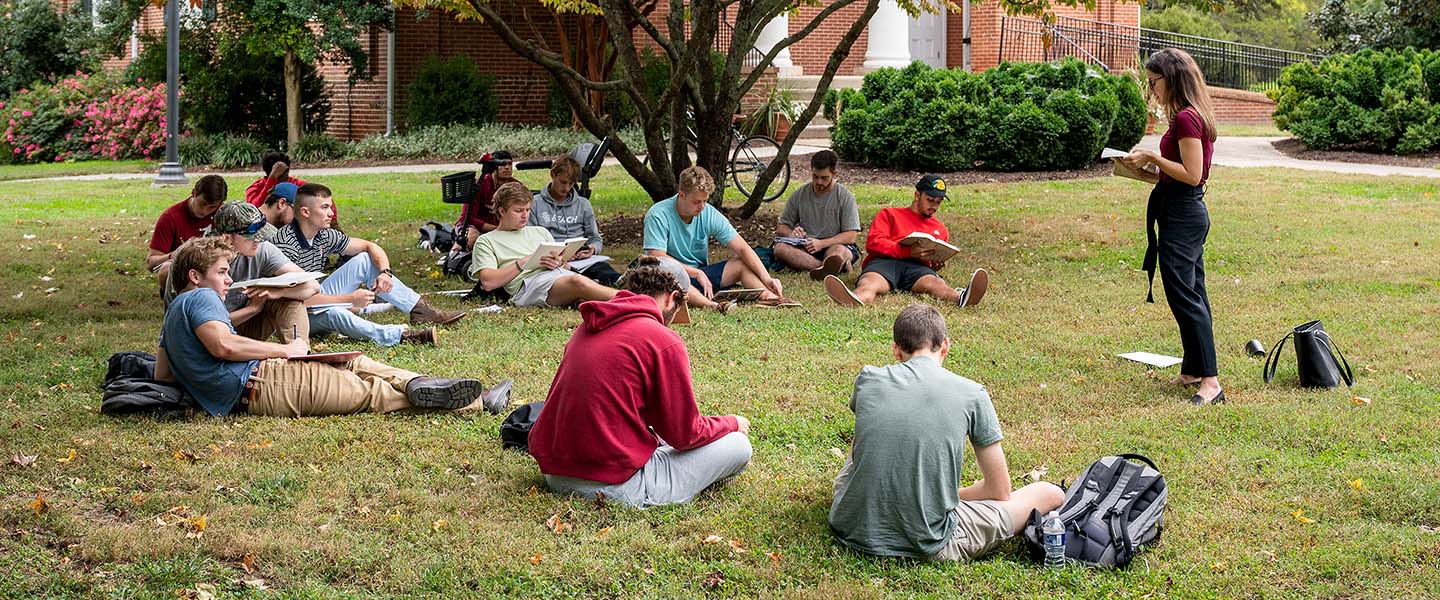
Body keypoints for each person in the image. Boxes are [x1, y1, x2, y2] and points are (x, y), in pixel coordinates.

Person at [155, 236, 512, 418]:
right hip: (262, 385)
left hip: (258, 382)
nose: (228, 279)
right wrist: (286, 350)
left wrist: (200, 381)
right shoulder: (200, 297)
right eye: (221, 272)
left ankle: (419, 382)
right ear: (194, 275)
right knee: (363, 390)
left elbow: (164, 374)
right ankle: (476, 402)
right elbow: (224, 347)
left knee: (354, 362)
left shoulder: (174, 312)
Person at [828, 304, 1064, 561]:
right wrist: (944, 497)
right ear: (945, 346)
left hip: (850, 527)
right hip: (931, 541)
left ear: (896, 350)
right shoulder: (972, 393)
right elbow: (999, 490)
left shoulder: (868, 378)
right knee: (1049, 493)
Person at [527, 256, 753, 508]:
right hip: (616, 484)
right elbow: (685, 434)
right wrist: (731, 423)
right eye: (680, 306)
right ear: (670, 297)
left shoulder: (589, 325)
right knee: (739, 445)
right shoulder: (661, 339)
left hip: (555, 474)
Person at [1118, 48, 1223, 406]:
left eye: (1154, 82)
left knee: (1185, 295)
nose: (1152, 91)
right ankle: (1194, 369)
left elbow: (1193, 175)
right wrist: (1142, 170)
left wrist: (1152, 156)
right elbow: (1179, 174)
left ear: (1171, 78)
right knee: (1192, 290)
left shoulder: (1188, 119)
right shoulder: (1186, 117)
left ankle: (1210, 382)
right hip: (1179, 208)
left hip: (1184, 214)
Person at [271, 183, 463, 346]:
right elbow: (297, 298)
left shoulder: (324, 234)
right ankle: (401, 337)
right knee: (336, 313)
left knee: (364, 259)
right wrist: (349, 299)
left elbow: (370, 246)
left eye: (330, 206)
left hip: (313, 295)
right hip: (292, 312)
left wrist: (385, 273)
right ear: (305, 212)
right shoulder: (286, 244)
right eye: (325, 207)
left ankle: (421, 310)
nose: (331, 213)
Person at [161, 202, 318, 347]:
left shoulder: (262, 250)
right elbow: (190, 325)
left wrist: (279, 291)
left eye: (260, 233)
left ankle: (301, 355)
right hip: (200, 339)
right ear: (227, 237)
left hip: (239, 329)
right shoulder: (196, 258)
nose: (258, 240)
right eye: (250, 236)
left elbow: (312, 286)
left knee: (291, 298)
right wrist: (253, 309)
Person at [824, 174, 988, 309]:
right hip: (884, 263)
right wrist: (907, 251)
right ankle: (856, 298)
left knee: (936, 284)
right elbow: (874, 243)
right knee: (870, 284)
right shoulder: (889, 214)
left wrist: (935, 262)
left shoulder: (941, 229)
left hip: (918, 268)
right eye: (930, 200)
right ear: (917, 195)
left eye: (938, 202)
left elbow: (934, 258)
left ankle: (961, 297)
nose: (934, 207)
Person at [642, 166, 783, 312]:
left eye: (705, 201)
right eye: (697, 202)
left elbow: (742, 248)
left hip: (702, 276)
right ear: (681, 195)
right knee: (670, 276)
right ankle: (714, 306)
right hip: (669, 277)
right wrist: (696, 273)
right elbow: (656, 256)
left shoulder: (707, 212)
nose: (702, 207)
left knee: (741, 263)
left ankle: (769, 297)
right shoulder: (658, 214)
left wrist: (767, 279)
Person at [471, 182, 620, 308]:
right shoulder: (487, 241)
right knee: (578, 282)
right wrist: (523, 263)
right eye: (518, 211)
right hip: (527, 286)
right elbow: (488, 282)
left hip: (557, 276)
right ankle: (637, 301)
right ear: (501, 211)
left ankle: (631, 302)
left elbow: (565, 267)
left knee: (584, 291)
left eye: (528, 210)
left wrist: (560, 262)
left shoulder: (540, 232)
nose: (525, 215)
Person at [528, 155, 622, 286]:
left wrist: (592, 249)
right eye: (563, 182)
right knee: (563, 277)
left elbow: (595, 238)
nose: (566, 188)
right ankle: (592, 284)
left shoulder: (583, 205)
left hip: (581, 260)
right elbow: (530, 241)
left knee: (603, 270)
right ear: (553, 175)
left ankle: (621, 283)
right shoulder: (535, 204)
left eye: (571, 184)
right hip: (552, 261)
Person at [773, 150, 861, 281]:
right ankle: (823, 268)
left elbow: (851, 236)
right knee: (780, 249)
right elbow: (782, 227)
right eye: (815, 177)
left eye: (824, 178)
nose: (819, 182)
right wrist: (793, 234)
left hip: (833, 245)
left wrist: (821, 243)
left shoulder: (845, 197)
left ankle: (826, 265)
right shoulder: (800, 194)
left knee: (839, 252)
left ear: (834, 174)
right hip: (805, 247)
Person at [147, 175, 227, 294]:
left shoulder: (223, 214)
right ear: (194, 193)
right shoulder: (170, 218)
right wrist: (173, 255)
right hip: (186, 271)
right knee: (166, 270)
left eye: (211, 207)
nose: (204, 211)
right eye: (202, 204)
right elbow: (151, 263)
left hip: (218, 268)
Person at [244, 150, 329, 226]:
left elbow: (323, 201)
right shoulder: (255, 189)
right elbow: (255, 213)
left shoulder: (298, 185)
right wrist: (271, 180)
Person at [456, 150, 519, 250]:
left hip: (502, 229)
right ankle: (452, 256)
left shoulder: (516, 186)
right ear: (494, 167)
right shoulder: (480, 185)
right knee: (471, 237)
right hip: (474, 227)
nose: (507, 167)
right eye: (502, 164)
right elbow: (467, 218)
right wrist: (496, 229)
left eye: (510, 164)